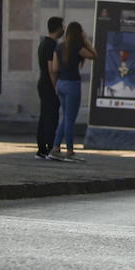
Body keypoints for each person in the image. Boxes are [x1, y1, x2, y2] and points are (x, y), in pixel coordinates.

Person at [48, 20, 96, 161]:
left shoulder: (59, 47)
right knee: (70, 119)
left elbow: (55, 69)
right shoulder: (77, 47)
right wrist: (86, 40)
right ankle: (69, 151)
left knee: (65, 118)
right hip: (72, 84)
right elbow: (94, 55)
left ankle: (56, 148)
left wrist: (56, 85)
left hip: (61, 84)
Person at [35, 16, 64, 159]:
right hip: (49, 85)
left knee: (44, 116)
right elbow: (52, 69)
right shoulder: (52, 45)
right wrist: (56, 88)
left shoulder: (42, 44)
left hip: (42, 83)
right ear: (58, 28)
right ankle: (49, 147)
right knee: (51, 117)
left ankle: (41, 149)